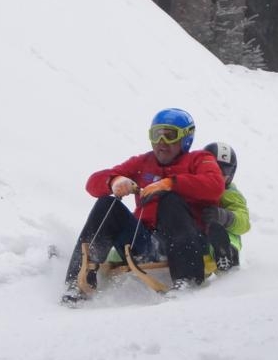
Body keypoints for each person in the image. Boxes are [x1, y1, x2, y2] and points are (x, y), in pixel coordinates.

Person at [63, 108, 225, 301]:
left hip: (186, 240)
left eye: (169, 136)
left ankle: (186, 280)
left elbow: (215, 185)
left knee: (169, 199)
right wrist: (114, 181)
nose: (161, 142)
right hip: (144, 242)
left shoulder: (199, 159)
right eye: (156, 135)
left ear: (186, 138)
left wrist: (170, 183)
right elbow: (92, 183)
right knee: (107, 204)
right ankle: (77, 282)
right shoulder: (143, 162)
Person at [199, 142, 250, 272]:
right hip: (198, 241)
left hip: (218, 239)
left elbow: (244, 222)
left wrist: (225, 217)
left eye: (223, 171)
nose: (217, 175)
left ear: (231, 175)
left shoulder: (230, 194)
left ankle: (227, 253)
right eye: (213, 169)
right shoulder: (195, 186)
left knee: (222, 233)